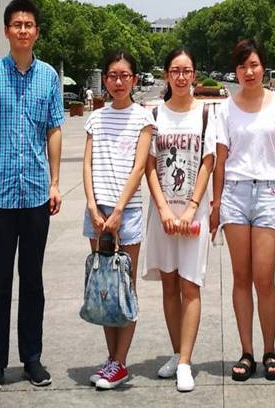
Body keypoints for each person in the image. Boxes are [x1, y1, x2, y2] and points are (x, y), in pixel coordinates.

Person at [0, 0, 64, 394]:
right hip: (0, 194)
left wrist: (55, 182)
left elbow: (54, 130)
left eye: (29, 24)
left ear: (37, 32)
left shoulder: (48, 77)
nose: (23, 30)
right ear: (7, 30)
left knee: (32, 280)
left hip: (36, 195)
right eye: (17, 24)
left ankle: (32, 358)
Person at [213, 38, 275, 382]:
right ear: (236, 71)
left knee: (264, 277)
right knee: (241, 277)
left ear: (263, 67)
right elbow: (220, 160)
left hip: (268, 193)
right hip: (234, 193)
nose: (249, 72)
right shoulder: (225, 109)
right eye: (243, 66)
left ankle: (270, 350)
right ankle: (246, 352)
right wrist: (215, 204)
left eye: (254, 65)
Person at [142, 48, 215, 392]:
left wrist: (190, 209)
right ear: (167, 75)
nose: (181, 77)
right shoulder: (155, 114)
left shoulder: (205, 114)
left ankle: (186, 362)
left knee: (191, 285)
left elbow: (208, 162)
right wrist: (163, 210)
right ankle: (176, 353)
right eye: (175, 71)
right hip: (163, 215)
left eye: (186, 71)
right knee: (169, 285)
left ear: (194, 74)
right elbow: (148, 165)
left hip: (193, 215)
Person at [83, 50, 155, 389]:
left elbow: (139, 168)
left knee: (125, 287)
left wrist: (117, 211)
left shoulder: (143, 118)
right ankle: (111, 359)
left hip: (126, 213)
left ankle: (121, 361)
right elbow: (87, 164)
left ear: (134, 79)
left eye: (124, 75)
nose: (118, 81)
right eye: (112, 75)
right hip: (97, 212)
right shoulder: (96, 118)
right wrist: (92, 207)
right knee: (104, 287)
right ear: (105, 79)